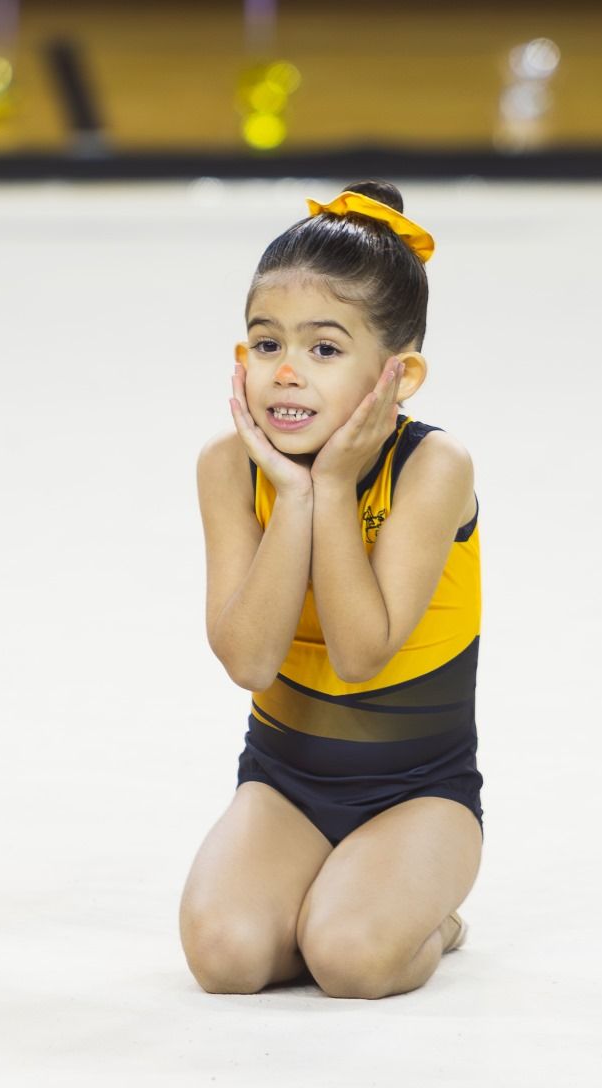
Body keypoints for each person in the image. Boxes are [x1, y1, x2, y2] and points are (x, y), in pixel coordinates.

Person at [179, 182, 483, 1000]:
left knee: (347, 959)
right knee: (225, 958)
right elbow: (248, 660)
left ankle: (430, 916)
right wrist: (296, 496)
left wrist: (337, 485)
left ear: (399, 374)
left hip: (418, 796)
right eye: (265, 343)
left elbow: (359, 653)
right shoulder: (228, 467)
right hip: (287, 783)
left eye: (324, 350)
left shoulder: (433, 468)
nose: (286, 374)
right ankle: (329, 892)